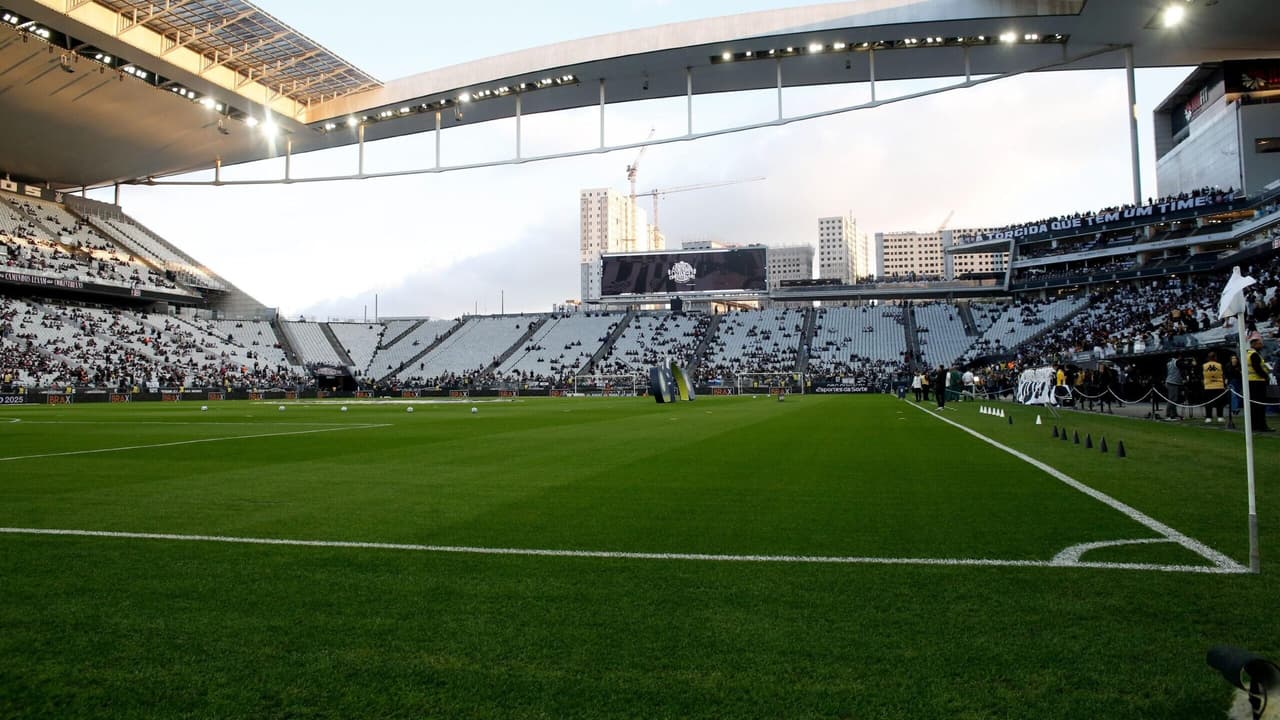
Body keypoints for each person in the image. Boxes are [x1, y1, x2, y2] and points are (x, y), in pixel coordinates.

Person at [1246, 332, 1273, 432]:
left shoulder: (1248, 354)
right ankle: (1261, 425)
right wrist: (1266, 377)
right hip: (1257, 382)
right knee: (1259, 405)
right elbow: (1257, 368)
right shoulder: (1254, 355)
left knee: (1253, 406)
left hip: (1251, 381)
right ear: (1254, 344)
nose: (1261, 345)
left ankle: (1254, 425)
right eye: (1259, 343)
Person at [1201, 351, 1226, 424]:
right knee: (1220, 403)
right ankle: (1220, 417)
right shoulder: (1219, 365)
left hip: (1208, 386)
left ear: (1208, 358)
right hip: (1219, 386)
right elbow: (1223, 375)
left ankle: (1208, 417)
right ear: (1215, 357)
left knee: (1208, 403)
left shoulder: (1204, 366)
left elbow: (1201, 376)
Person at [1164, 354, 1184, 420]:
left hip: (1170, 381)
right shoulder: (1177, 362)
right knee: (1172, 399)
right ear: (1179, 356)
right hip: (1173, 382)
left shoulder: (1169, 362)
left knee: (1173, 399)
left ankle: (1174, 414)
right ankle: (1169, 414)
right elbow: (1183, 367)